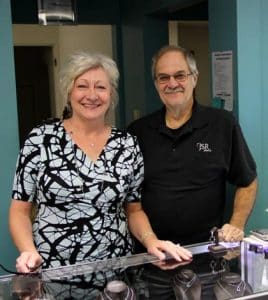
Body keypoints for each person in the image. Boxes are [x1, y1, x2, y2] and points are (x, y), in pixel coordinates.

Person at [9, 50, 192, 274]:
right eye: (82, 86)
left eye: (101, 87)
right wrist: (27, 250)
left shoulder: (127, 144)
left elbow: (134, 211)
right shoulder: (40, 139)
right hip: (51, 268)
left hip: (116, 270)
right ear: (69, 91)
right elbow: (19, 211)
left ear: (111, 94)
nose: (92, 95)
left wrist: (151, 241)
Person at [127, 45, 258, 250]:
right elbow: (130, 201)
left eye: (180, 75)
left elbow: (248, 181)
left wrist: (235, 225)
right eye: (163, 77)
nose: (172, 83)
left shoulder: (222, 124)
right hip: (152, 253)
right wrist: (149, 240)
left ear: (194, 78)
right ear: (156, 84)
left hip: (206, 252)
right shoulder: (138, 132)